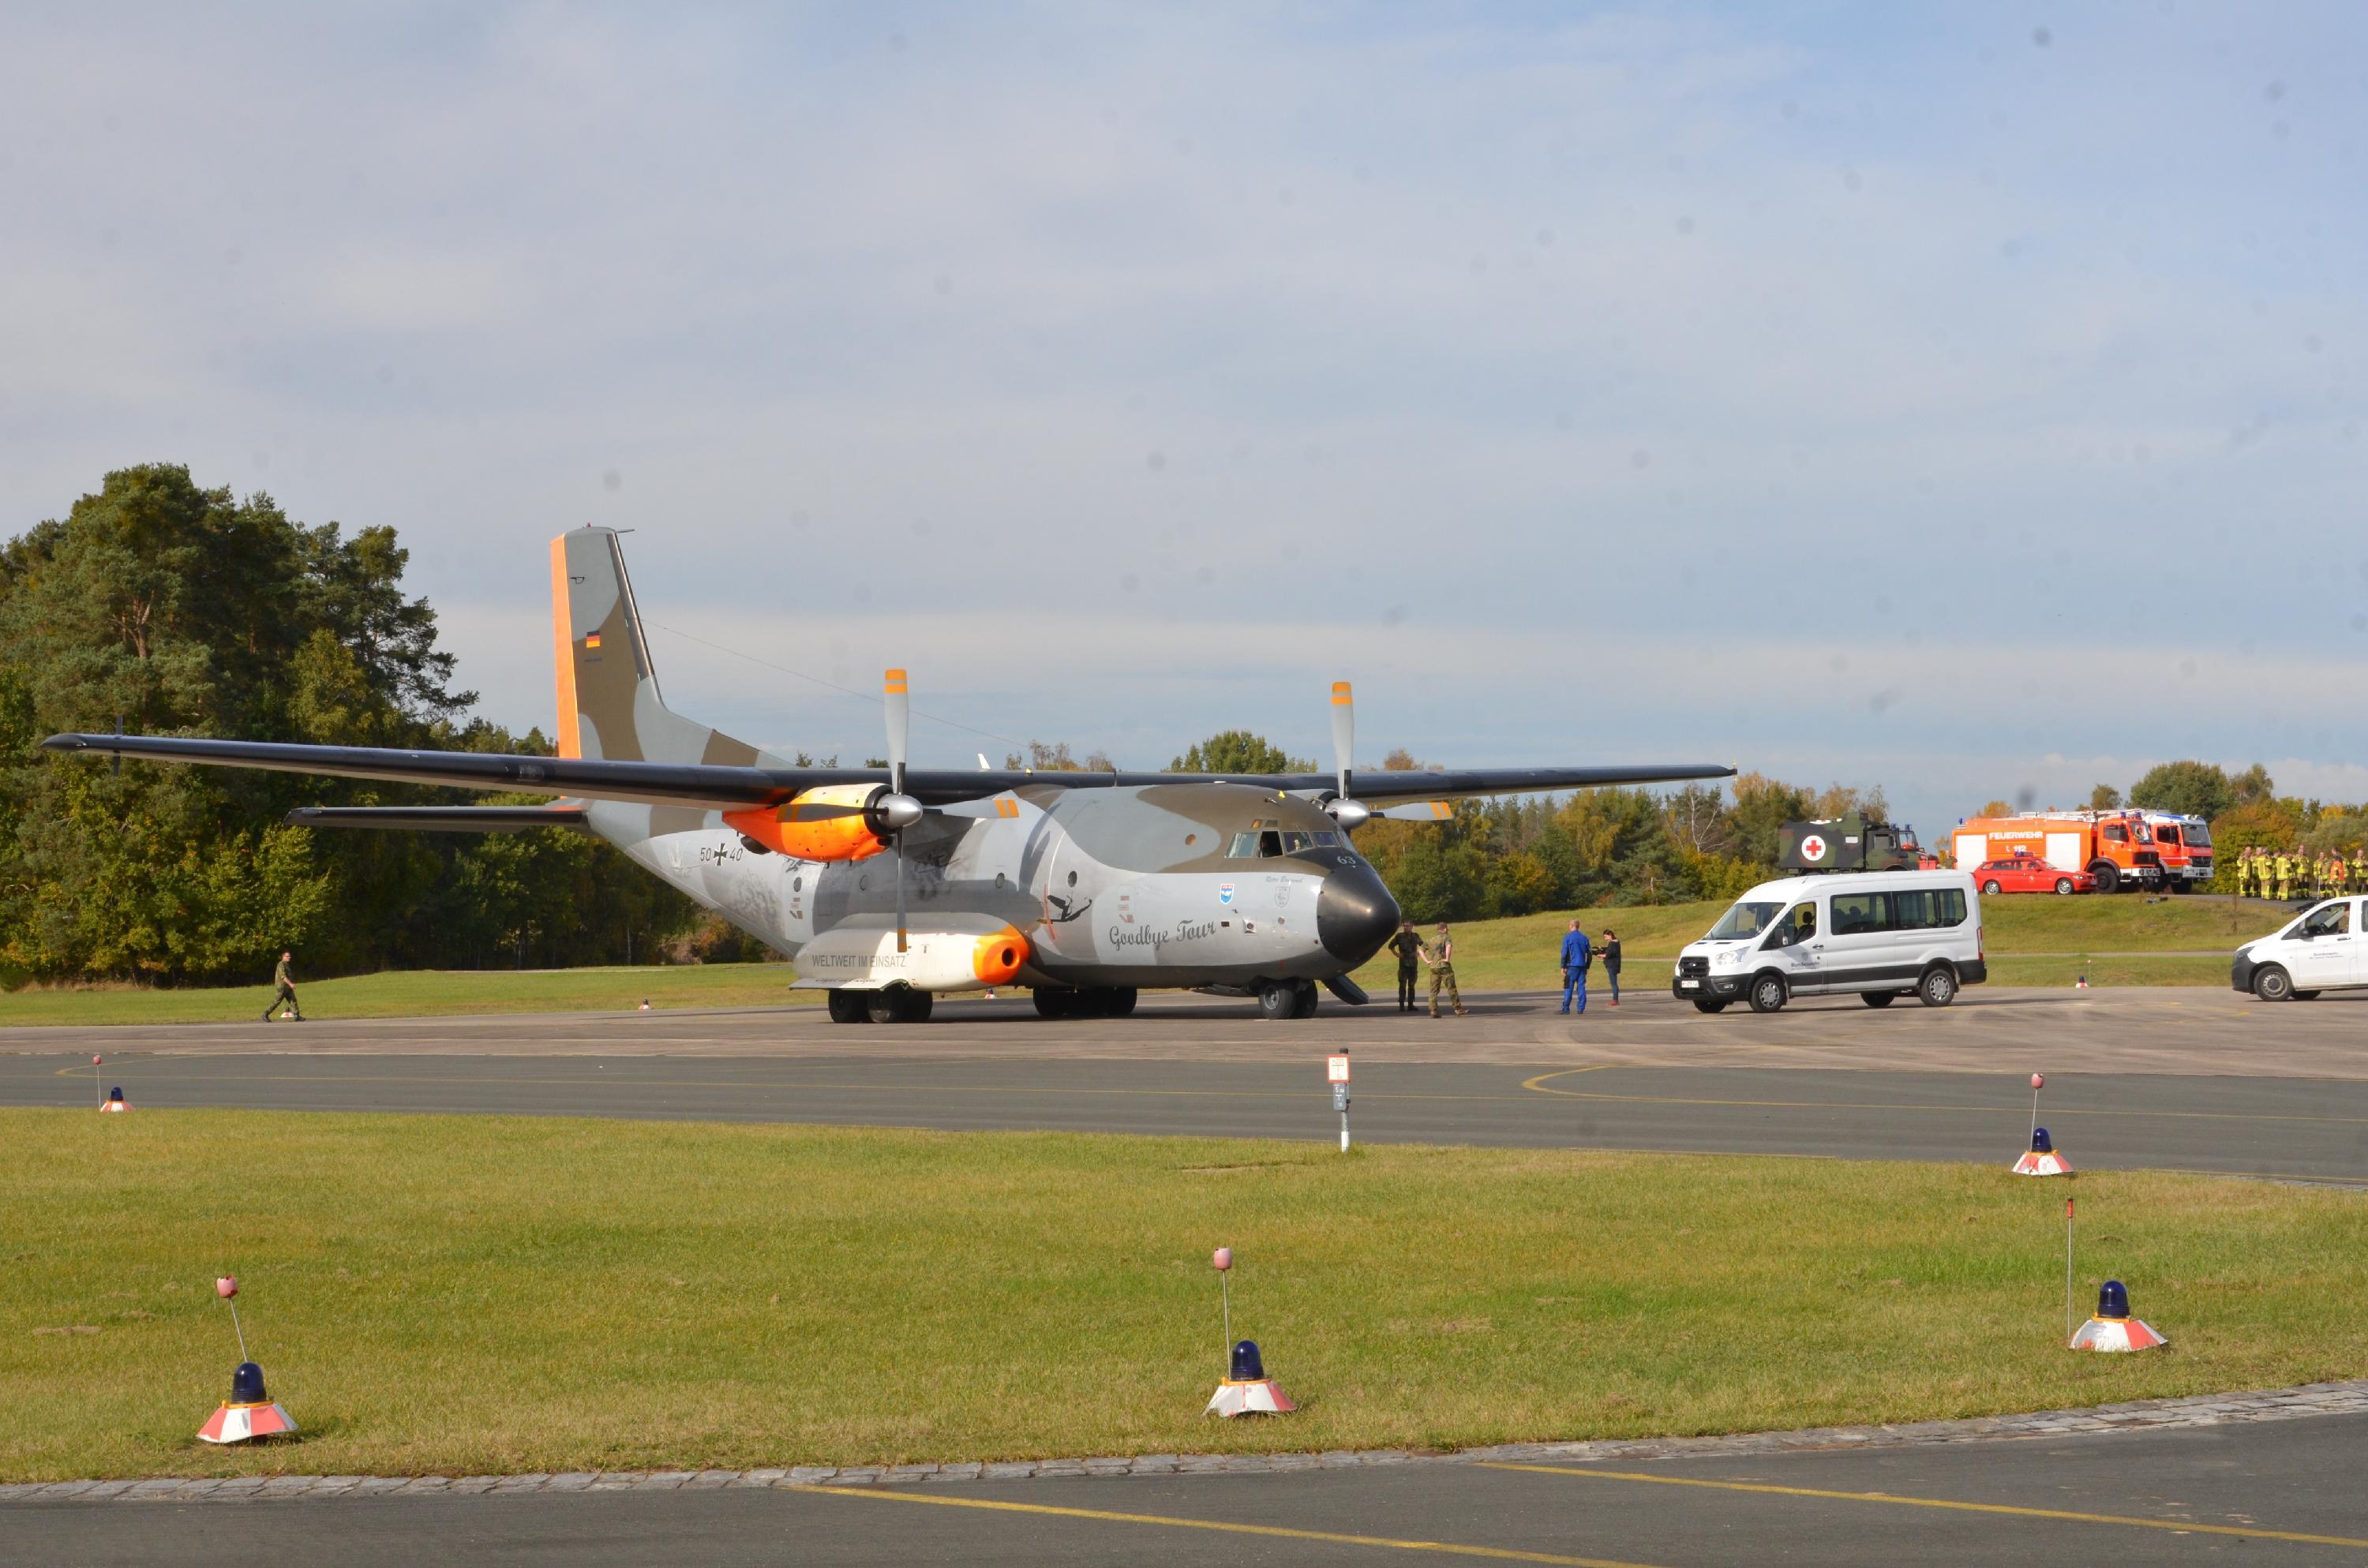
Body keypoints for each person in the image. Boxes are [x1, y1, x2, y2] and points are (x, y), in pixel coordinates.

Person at [1422, 922, 1466, 1018]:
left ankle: (1433, 1011)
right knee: (1451, 988)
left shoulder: (1431, 940)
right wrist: (1447, 959)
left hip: (1434, 967)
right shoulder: (1446, 937)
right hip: (1444, 967)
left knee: (1433, 991)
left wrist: (1427, 961)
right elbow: (1449, 947)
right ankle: (1458, 1009)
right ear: (1445, 929)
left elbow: (1420, 950)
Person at [1384, 921, 1422, 1014]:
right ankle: (1401, 1005)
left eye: (1408, 926)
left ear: (1412, 927)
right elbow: (1391, 946)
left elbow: (1423, 944)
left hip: (1413, 964)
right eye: (1405, 926)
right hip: (1403, 964)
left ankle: (1410, 1004)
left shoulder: (1415, 936)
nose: (1406, 928)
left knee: (1412, 985)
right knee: (1402, 985)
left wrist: (1420, 953)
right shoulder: (1399, 936)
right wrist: (1397, 954)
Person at [1558, 919, 1591, 1015]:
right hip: (1582, 966)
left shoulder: (1568, 938)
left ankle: (1566, 1008)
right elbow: (1589, 954)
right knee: (1581, 987)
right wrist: (1587, 966)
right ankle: (1581, 1008)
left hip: (1571, 966)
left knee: (1568, 987)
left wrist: (1563, 966)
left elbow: (1564, 953)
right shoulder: (1584, 938)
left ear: (1571, 926)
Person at [264, 950, 303, 1022]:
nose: (289, 957)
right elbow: (283, 977)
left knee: (293, 1000)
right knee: (277, 1001)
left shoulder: (287, 965)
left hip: (287, 987)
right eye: (287, 956)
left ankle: (297, 1016)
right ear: (283, 957)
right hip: (282, 987)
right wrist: (291, 984)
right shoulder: (281, 965)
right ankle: (265, 1014)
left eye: (290, 956)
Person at [1600, 927, 1623, 1006]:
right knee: (1614, 983)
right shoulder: (1616, 942)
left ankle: (1615, 1000)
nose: (1605, 939)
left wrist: (1601, 955)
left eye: (1606, 937)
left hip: (1612, 966)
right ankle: (1615, 999)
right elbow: (1611, 950)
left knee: (1613, 984)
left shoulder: (1612, 943)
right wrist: (1603, 949)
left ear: (1610, 935)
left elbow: (1609, 954)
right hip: (1615, 965)